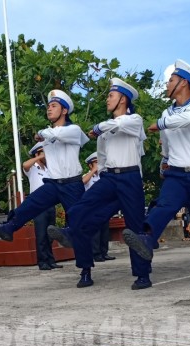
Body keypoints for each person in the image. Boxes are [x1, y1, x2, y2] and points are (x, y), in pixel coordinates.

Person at [121, 60, 190, 290]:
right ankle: (147, 239)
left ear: (183, 83)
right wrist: (165, 161)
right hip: (177, 174)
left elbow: (187, 120)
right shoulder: (167, 112)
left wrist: (160, 124)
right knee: (163, 206)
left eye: (171, 79)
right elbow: (167, 145)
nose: (167, 83)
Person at [47, 78, 150, 289]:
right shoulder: (104, 133)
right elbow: (101, 157)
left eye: (111, 96)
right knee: (80, 208)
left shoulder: (134, 120)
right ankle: (70, 234)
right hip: (110, 178)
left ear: (123, 99)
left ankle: (143, 275)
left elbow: (120, 127)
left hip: (130, 177)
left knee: (135, 229)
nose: (107, 99)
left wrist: (99, 127)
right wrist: (103, 172)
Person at [0, 90, 89, 242]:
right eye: (48, 106)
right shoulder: (48, 134)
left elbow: (57, 134)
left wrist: (41, 133)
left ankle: (85, 263)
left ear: (65, 110)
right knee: (31, 203)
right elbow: (51, 134)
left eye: (54, 106)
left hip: (72, 184)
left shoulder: (74, 130)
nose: (49, 109)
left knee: (76, 222)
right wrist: (43, 134)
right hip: (54, 183)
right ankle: (9, 227)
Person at [22, 142, 62, 270]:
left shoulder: (48, 169)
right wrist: (39, 157)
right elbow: (24, 165)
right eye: (44, 154)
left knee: (50, 234)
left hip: (50, 205)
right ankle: (42, 261)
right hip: (38, 205)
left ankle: (51, 260)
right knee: (41, 235)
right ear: (37, 154)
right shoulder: (33, 168)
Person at [82, 152, 114, 263]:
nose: (98, 165)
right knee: (96, 232)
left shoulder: (103, 177)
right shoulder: (87, 176)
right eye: (95, 162)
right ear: (90, 165)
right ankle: (96, 254)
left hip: (103, 207)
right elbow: (82, 182)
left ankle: (104, 253)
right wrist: (93, 171)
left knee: (105, 232)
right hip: (92, 208)